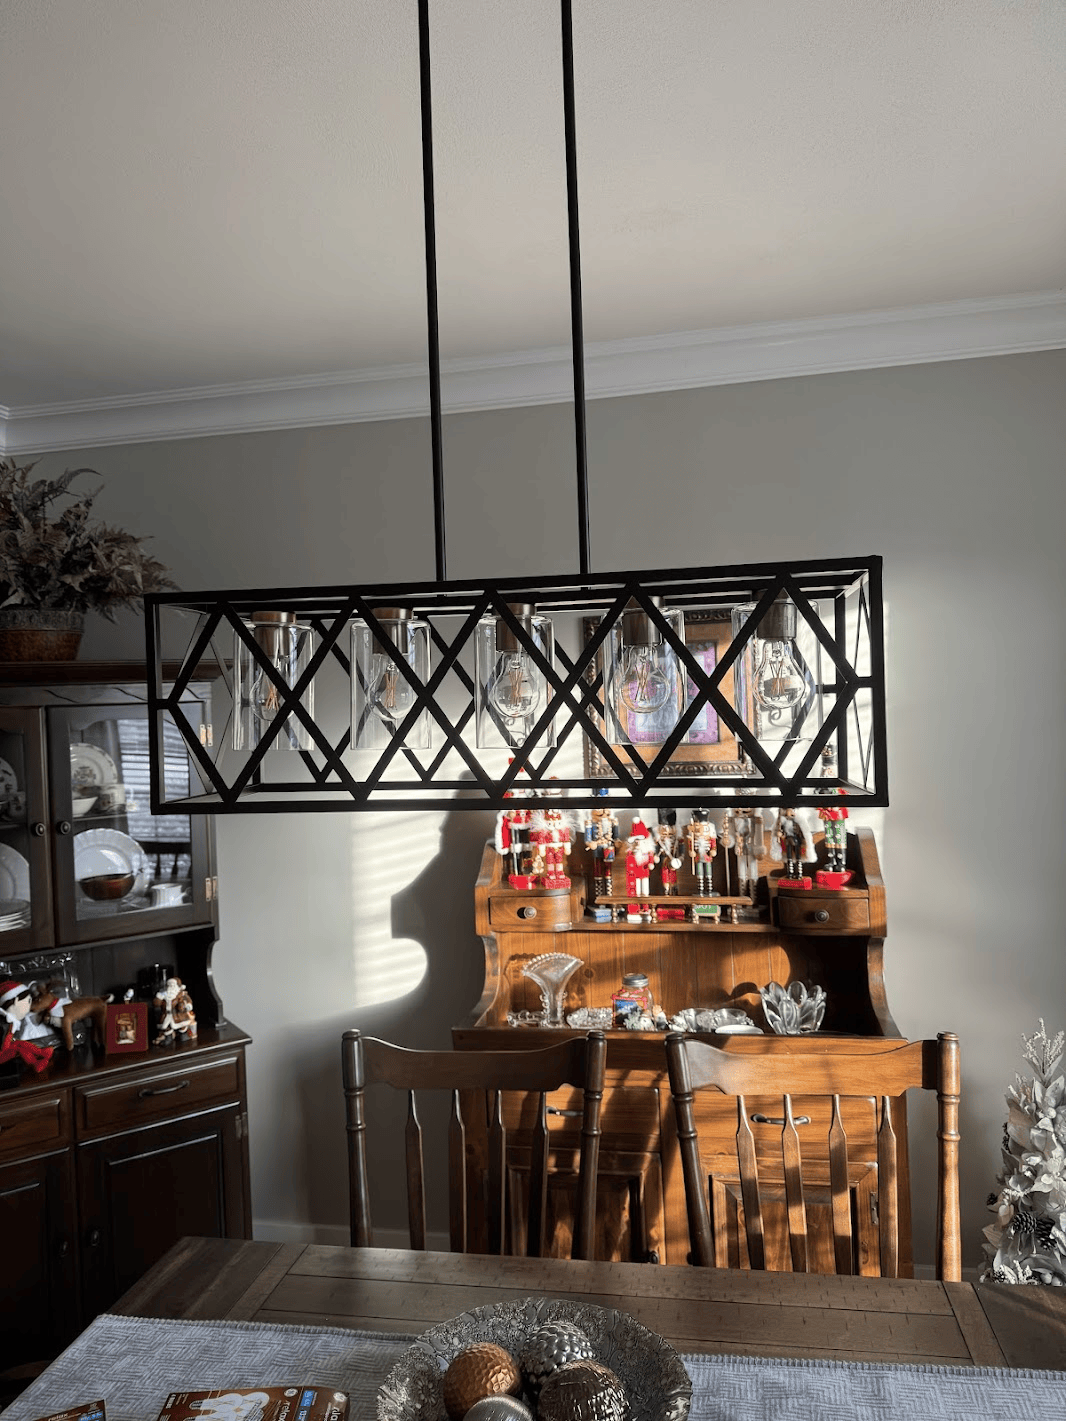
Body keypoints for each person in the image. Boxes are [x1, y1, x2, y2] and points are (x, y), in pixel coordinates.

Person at [771, 807, 815, 882]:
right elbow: (779, 831)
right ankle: (790, 872)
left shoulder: (798, 822)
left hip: (797, 841)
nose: (789, 813)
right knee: (789, 857)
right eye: (788, 811)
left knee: (798, 857)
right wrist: (780, 834)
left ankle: (799, 872)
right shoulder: (782, 822)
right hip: (787, 841)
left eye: (791, 811)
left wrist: (804, 840)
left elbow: (804, 832)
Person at [583, 804, 619, 899]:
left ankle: (609, 897)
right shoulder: (591, 823)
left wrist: (617, 842)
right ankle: (599, 897)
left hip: (608, 848)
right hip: (598, 849)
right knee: (597, 871)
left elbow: (615, 837)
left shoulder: (612, 822)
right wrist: (590, 843)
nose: (603, 812)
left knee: (608, 872)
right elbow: (587, 839)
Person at [153, 976, 197, 1045]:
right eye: (169, 985)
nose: (171, 987)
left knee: (182, 1025)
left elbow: (188, 1000)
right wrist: (158, 998)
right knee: (166, 1026)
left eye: (173, 985)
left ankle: (183, 1034)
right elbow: (156, 1004)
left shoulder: (181, 994)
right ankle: (169, 1037)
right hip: (166, 1014)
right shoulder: (164, 994)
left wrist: (188, 1005)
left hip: (178, 1014)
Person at [683, 809, 717, 896]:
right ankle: (700, 889)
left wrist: (713, 850)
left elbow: (713, 841)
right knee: (700, 873)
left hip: (707, 855)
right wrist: (691, 851)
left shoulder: (710, 829)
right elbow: (690, 842)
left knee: (708, 872)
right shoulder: (692, 830)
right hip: (698, 856)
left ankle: (709, 888)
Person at [624, 818, 656, 897]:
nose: (637, 842)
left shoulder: (647, 851)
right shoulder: (632, 851)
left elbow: (651, 857)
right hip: (635, 872)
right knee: (637, 889)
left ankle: (645, 906)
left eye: (639, 840)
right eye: (636, 840)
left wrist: (651, 863)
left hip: (644, 871)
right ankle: (637, 904)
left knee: (645, 889)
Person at [653, 809, 682, 894]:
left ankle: (674, 891)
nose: (667, 832)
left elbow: (681, 847)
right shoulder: (659, 839)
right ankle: (666, 892)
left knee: (673, 876)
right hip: (664, 858)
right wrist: (656, 855)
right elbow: (656, 847)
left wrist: (680, 858)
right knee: (664, 875)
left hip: (674, 858)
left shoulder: (677, 839)